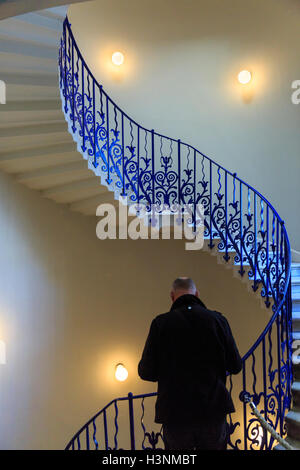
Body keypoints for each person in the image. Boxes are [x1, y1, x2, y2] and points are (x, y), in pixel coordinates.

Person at [138, 277, 242, 450]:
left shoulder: (160, 323)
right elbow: (236, 366)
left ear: (172, 296)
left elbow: (146, 372)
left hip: (175, 413)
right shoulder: (218, 320)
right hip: (212, 410)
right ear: (197, 294)